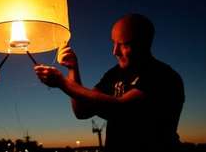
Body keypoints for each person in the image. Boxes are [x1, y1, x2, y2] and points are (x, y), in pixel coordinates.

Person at [34, 14, 184, 152]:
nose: (114, 51)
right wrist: (72, 69)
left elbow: (122, 110)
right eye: (114, 43)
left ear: (144, 43)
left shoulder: (163, 76)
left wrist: (63, 83)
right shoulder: (113, 74)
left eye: (124, 44)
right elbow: (82, 111)